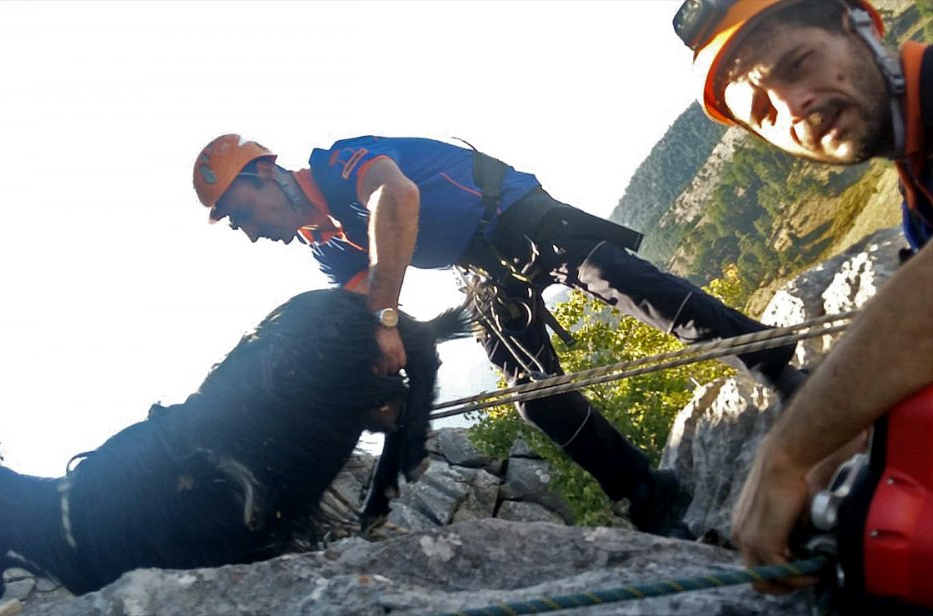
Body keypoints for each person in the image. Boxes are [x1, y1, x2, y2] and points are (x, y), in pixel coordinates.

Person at [192, 133, 803, 537]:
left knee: (616, 278)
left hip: (514, 215)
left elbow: (396, 196)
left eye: (240, 212)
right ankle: (648, 494)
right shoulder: (324, 244)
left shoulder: (339, 161)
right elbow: (351, 320)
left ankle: (774, 361)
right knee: (534, 395)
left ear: (266, 173)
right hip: (482, 264)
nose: (247, 231)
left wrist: (383, 319)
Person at [675, 0, 933, 594]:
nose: (794, 108)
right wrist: (826, 470)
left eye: (797, 65)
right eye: (764, 112)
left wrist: (787, 456)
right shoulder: (919, 187)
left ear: (858, 27)